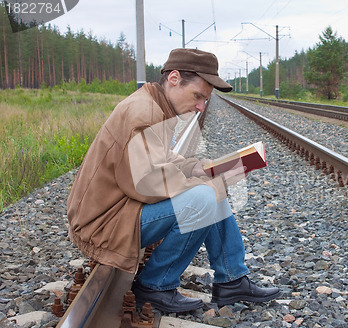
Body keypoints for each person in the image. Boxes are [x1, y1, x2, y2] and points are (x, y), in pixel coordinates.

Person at [67, 48, 280, 313]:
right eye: (198, 96)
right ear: (175, 78)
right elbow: (145, 183)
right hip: (105, 222)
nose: (201, 106)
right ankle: (155, 286)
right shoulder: (143, 113)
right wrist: (206, 184)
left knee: (210, 186)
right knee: (204, 196)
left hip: (121, 209)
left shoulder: (155, 105)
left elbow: (162, 157)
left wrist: (202, 169)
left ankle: (232, 278)